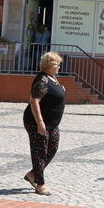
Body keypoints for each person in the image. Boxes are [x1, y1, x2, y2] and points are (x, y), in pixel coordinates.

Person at [23, 52, 65, 196]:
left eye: (59, 64)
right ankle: (40, 184)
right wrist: (40, 122)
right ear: (48, 65)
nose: (58, 66)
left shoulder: (53, 78)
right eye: (56, 64)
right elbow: (34, 101)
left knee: (52, 147)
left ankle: (32, 174)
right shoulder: (42, 79)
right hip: (37, 122)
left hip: (52, 123)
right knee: (40, 152)